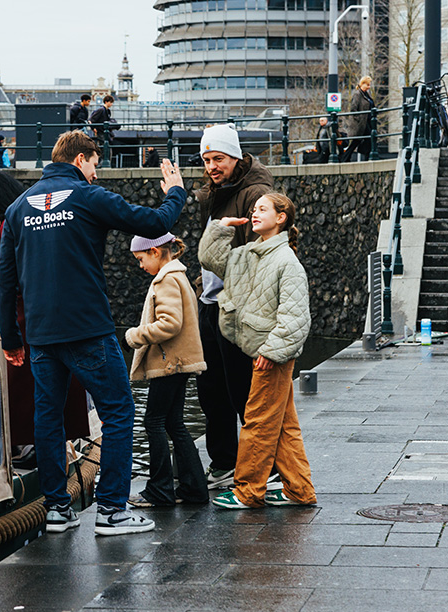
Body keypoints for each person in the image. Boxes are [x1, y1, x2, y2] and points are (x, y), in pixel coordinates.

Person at [0, 130, 185, 536]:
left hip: (41, 336)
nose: (97, 173)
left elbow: (6, 281)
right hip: (87, 329)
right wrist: (176, 192)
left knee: (48, 418)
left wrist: (10, 338)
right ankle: (113, 510)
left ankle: (57, 510)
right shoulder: (86, 196)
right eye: (95, 164)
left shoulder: (17, 208)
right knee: (118, 411)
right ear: (80, 159)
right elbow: (155, 223)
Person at [0, 170, 91, 460]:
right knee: (33, 393)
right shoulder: (23, 222)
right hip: (33, 319)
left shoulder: (11, 227)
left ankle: (25, 447)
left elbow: (7, 278)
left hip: (21, 322)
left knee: (19, 392)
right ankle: (36, 448)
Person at [198, 192, 316, 509]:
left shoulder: (286, 262)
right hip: (260, 352)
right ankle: (299, 489)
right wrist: (221, 228)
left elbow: (296, 318)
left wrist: (271, 352)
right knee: (284, 427)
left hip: (269, 356)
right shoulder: (253, 254)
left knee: (258, 423)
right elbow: (211, 261)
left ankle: (248, 491)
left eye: (263, 209)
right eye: (254, 209)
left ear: (281, 217)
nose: (254, 213)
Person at [193, 123, 274, 491]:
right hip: (210, 303)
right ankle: (224, 464)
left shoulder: (255, 193)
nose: (212, 166)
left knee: (243, 393)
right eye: (206, 159)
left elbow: (262, 254)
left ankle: (264, 470)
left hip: (237, 309)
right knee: (212, 393)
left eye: (219, 158)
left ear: (237, 157)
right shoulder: (217, 192)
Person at [124, 232, 209, 508]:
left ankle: (159, 490)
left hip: (169, 363)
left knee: (154, 422)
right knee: (174, 423)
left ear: (155, 252)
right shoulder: (177, 275)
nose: (140, 266)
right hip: (177, 362)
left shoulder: (167, 280)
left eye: (141, 259)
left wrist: (134, 336)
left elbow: (170, 324)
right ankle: (194, 488)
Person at [341, 76, 374, 162]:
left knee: (358, 141)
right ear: (362, 84)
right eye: (367, 85)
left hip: (367, 121)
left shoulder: (366, 94)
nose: (369, 87)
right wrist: (360, 119)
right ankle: (366, 158)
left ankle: (346, 158)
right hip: (362, 123)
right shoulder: (358, 94)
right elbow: (353, 108)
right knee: (368, 139)